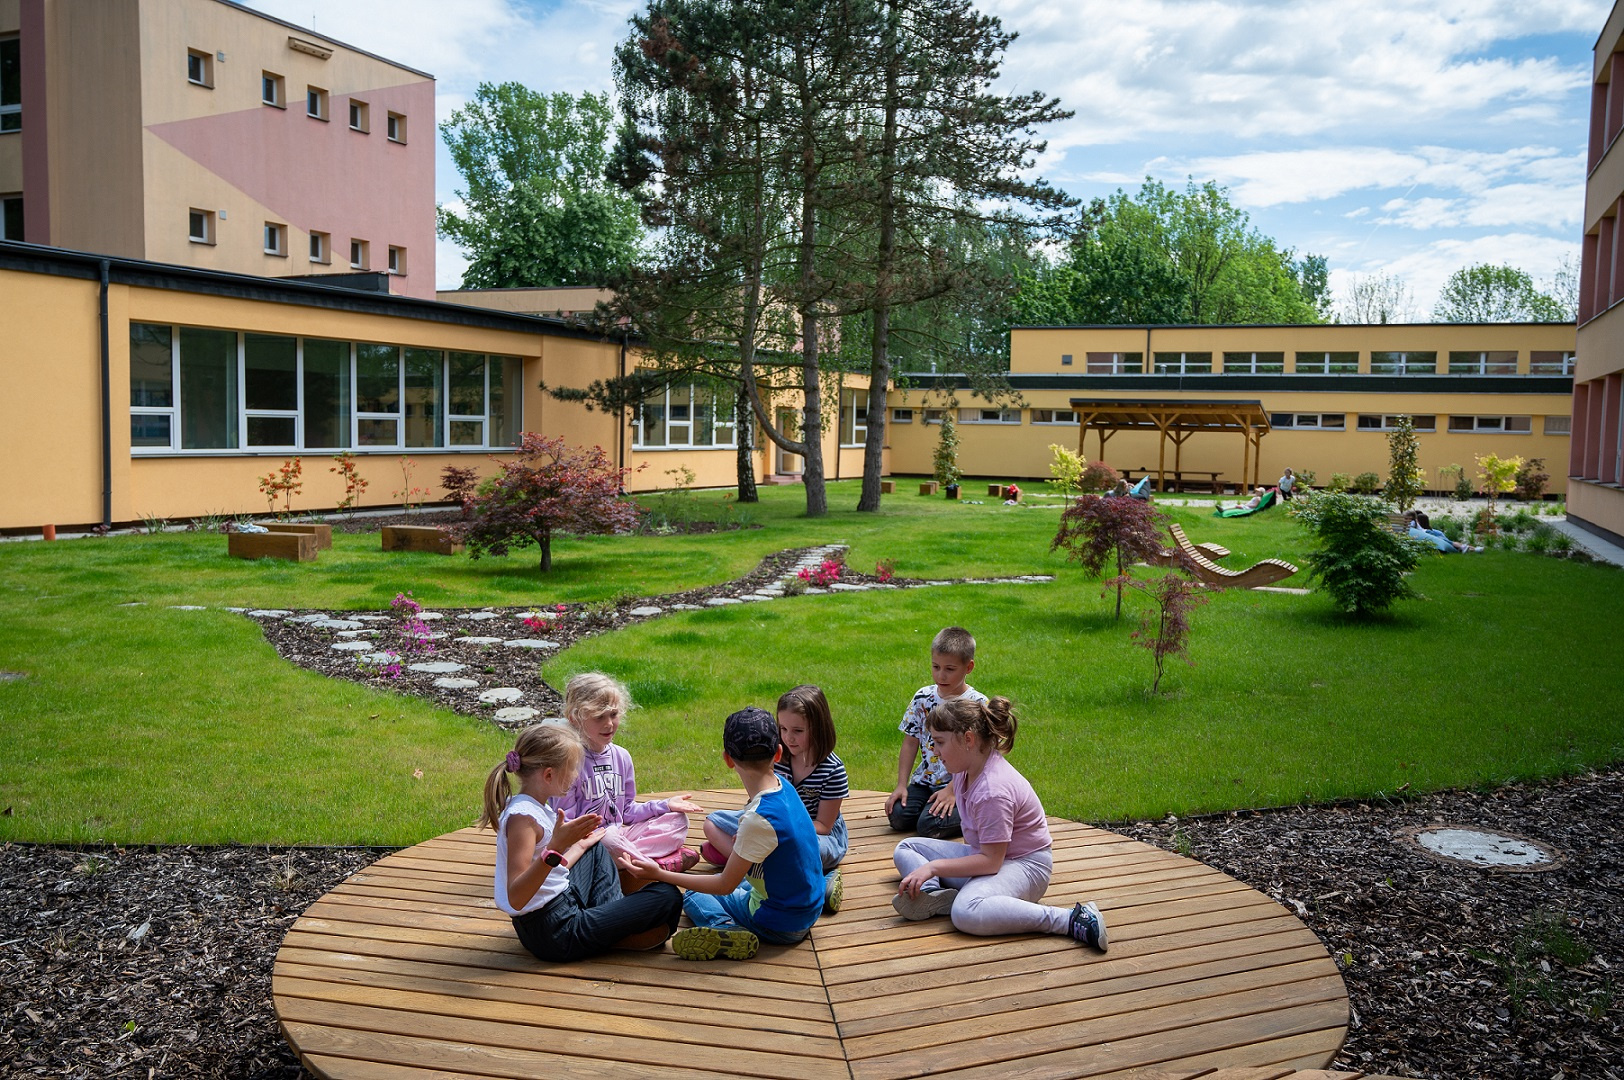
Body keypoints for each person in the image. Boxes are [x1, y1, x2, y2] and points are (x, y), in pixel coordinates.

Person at [891, 696, 1107, 951]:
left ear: (968, 740)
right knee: (907, 848)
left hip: (1025, 867)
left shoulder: (993, 791)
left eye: (940, 742)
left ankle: (1070, 919)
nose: (935, 752)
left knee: (966, 911)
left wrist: (933, 867)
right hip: (989, 857)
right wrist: (930, 872)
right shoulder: (964, 770)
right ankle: (933, 895)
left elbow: (991, 862)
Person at [620, 707, 825, 961]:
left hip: (781, 924)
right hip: (808, 905)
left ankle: (725, 928)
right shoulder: (785, 788)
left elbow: (724, 886)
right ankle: (825, 888)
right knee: (739, 878)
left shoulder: (759, 819)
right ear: (778, 753)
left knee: (695, 895)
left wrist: (659, 874)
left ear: (728, 759)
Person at [481, 723, 683, 963]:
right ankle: (616, 929)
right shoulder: (524, 819)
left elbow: (550, 874)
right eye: (572, 770)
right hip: (557, 933)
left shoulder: (531, 805)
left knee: (595, 845)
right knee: (668, 895)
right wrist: (556, 847)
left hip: (556, 912)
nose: (576, 776)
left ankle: (611, 922)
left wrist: (578, 846)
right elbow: (516, 896)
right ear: (548, 775)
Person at [702, 685, 849, 913]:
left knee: (803, 849)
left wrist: (767, 835)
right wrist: (749, 831)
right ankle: (745, 869)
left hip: (817, 834)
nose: (789, 737)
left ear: (819, 728)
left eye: (798, 730)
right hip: (776, 824)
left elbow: (824, 825)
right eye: (783, 728)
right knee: (712, 823)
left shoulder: (833, 770)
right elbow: (763, 802)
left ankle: (824, 882)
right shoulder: (779, 757)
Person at [556, 672, 702, 873]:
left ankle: (631, 861)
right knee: (609, 838)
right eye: (599, 717)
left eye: (613, 714)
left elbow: (627, 812)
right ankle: (653, 866)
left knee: (677, 820)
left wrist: (666, 805)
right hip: (587, 845)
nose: (609, 724)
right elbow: (564, 826)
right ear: (575, 718)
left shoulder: (622, 756)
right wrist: (595, 836)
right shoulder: (568, 763)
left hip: (620, 836)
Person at [885, 626, 987, 838]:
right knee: (898, 816)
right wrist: (901, 785)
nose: (941, 675)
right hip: (925, 782)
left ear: (968, 667)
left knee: (929, 826)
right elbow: (910, 742)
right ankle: (931, 809)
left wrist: (952, 790)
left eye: (950, 669)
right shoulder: (922, 698)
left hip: (962, 786)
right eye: (936, 666)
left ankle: (977, 813)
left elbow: (981, 755)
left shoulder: (976, 704)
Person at [1406, 509, 1479, 553]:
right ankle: (1473, 549)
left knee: (1449, 542)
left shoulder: (1412, 522)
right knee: (1449, 542)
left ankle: (1467, 548)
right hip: (1428, 532)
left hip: (1427, 533)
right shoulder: (1415, 522)